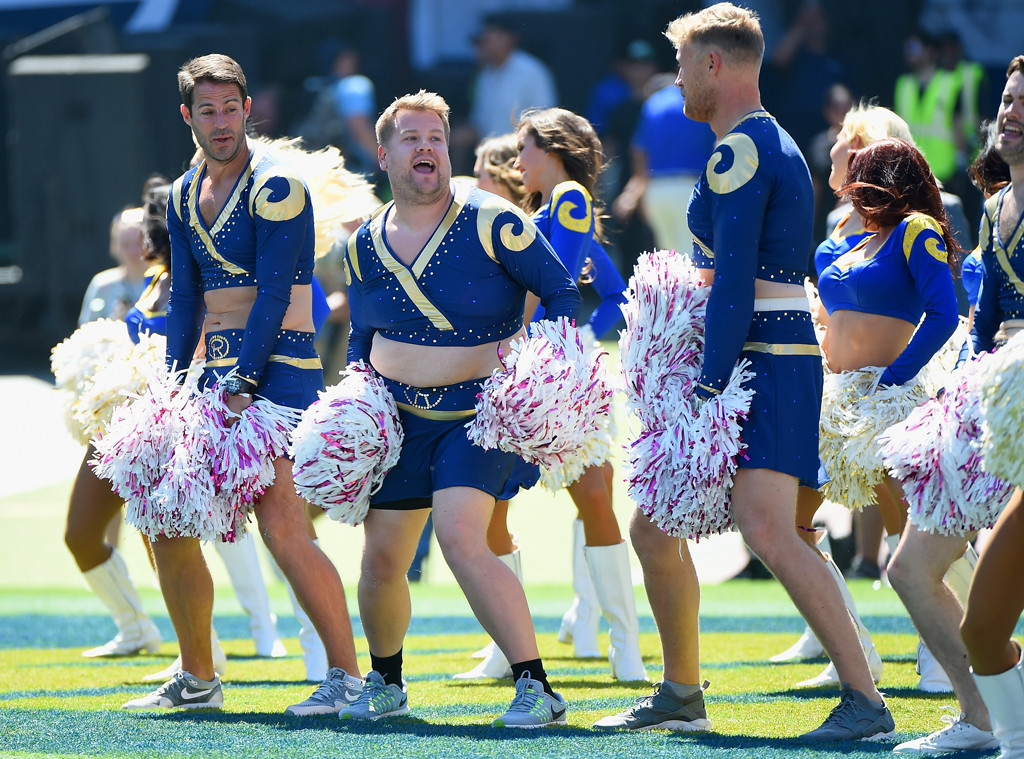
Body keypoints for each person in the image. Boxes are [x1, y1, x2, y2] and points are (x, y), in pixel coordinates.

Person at [594, 4, 895, 740]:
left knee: (770, 528)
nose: (677, 79)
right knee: (658, 527)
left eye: (683, 64)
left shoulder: (740, 150)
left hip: (762, 355)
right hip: (771, 350)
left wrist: (706, 382)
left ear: (714, 65)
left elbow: (731, 280)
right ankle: (681, 690)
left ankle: (865, 699)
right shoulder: (762, 141)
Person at [121, 54, 361, 712]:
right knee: (166, 520)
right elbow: (186, 300)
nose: (221, 120)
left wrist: (246, 380)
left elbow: (277, 289)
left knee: (283, 526)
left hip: (277, 372)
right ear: (187, 116)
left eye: (231, 107)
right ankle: (198, 676)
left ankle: (348, 677)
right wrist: (172, 390)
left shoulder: (277, 185)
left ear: (248, 107)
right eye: (207, 110)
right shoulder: (179, 193)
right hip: (212, 376)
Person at [341, 90, 580, 727]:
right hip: (398, 422)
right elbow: (363, 336)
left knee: (458, 535)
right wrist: (354, 403)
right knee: (383, 561)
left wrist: (539, 369)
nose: (426, 148)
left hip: (480, 416)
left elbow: (561, 291)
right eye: (411, 138)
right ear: (385, 153)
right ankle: (385, 682)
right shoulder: (362, 243)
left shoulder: (493, 219)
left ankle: (536, 687)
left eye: (436, 139)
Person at [816, 137, 990, 755]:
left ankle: (976, 649)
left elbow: (943, 315)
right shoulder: (853, 241)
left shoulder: (916, 229)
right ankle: (857, 656)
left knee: (917, 537)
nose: (845, 186)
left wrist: (890, 383)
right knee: (844, 527)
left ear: (880, 179)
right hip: (845, 406)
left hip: (895, 403)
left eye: (856, 175)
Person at [455, 113, 642, 683]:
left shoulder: (567, 197)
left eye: (524, 149)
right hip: (529, 364)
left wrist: (556, 337)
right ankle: (506, 650)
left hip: (545, 370)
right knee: (496, 502)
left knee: (591, 497)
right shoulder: (548, 209)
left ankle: (624, 645)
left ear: (551, 148)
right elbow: (611, 291)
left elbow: (555, 282)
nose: (517, 163)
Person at [960, 55, 1024, 759]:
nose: (1011, 111)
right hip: (1015, 428)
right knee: (982, 627)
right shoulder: (994, 206)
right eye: (1008, 99)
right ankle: (1016, 738)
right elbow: (983, 322)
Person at [612, 79, 717, 258]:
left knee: (672, 261)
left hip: (657, 192)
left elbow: (638, 151)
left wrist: (639, 193)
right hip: (693, 188)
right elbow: (718, 143)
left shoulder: (653, 104)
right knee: (697, 258)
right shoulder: (700, 100)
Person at [450, 13, 557, 173]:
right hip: (491, 163)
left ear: (508, 38)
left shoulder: (532, 71)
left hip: (523, 161)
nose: (485, 40)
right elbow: (479, 124)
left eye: (491, 34)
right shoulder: (485, 76)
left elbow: (546, 120)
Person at [78, 206, 151, 325]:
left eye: (138, 243)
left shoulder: (164, 282)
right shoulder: (102, 285)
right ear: (115, 247)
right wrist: (113, 322)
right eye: (125, 244)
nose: (133, 251)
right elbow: (86, 331)